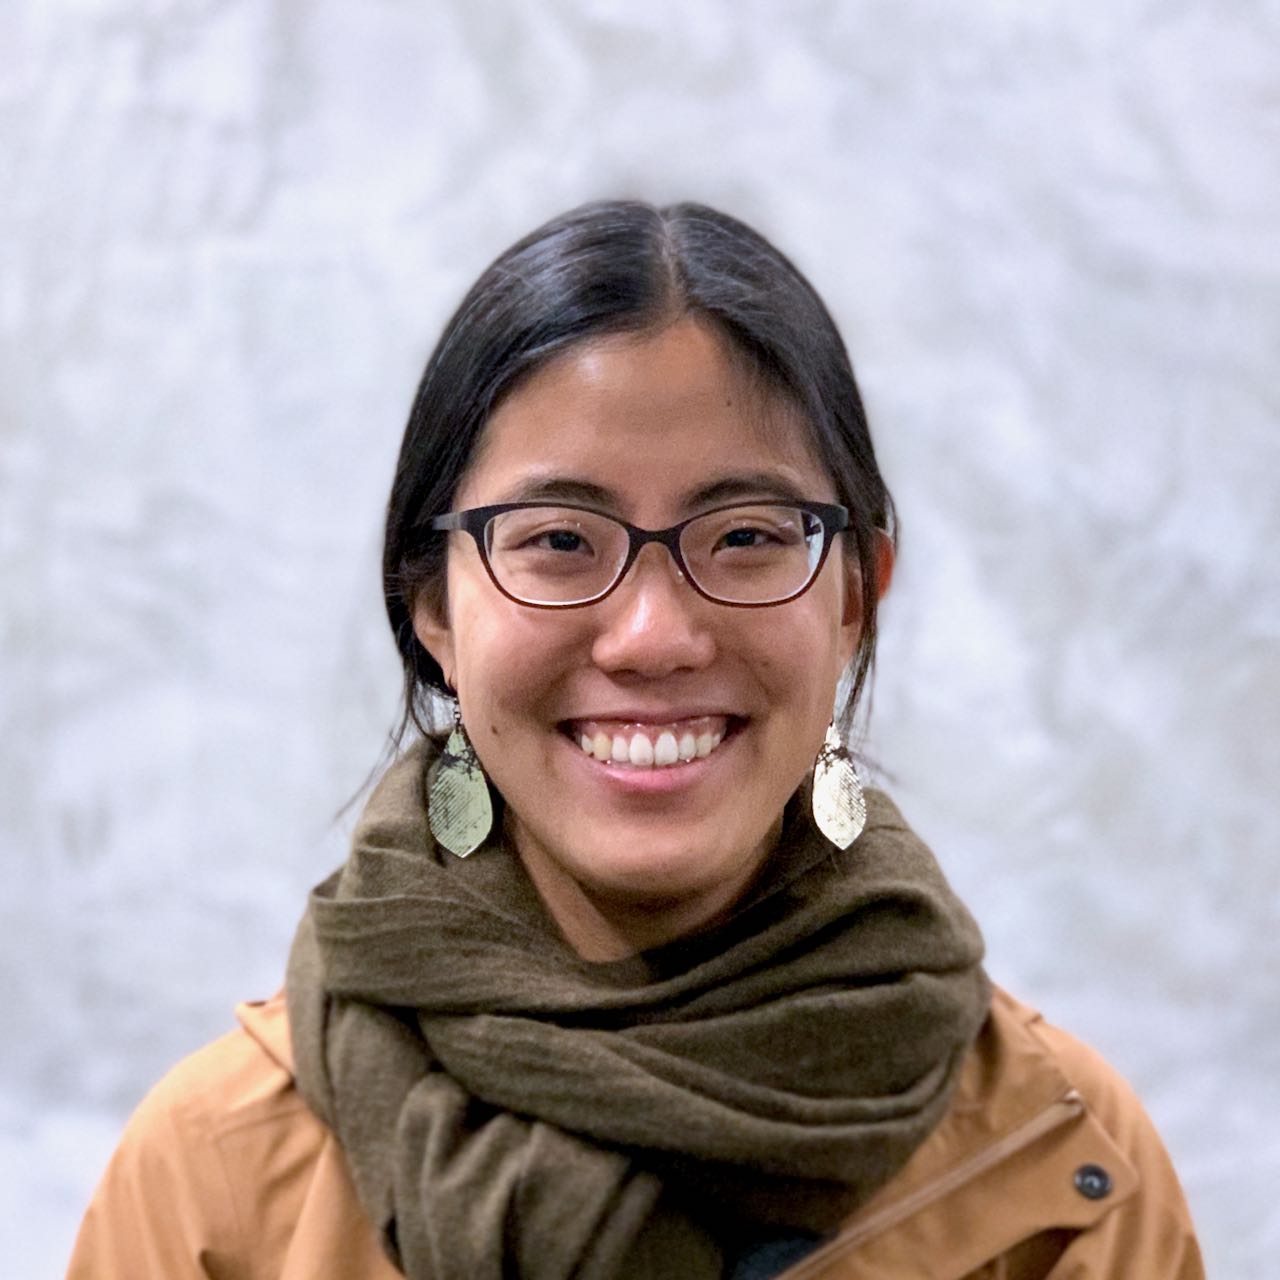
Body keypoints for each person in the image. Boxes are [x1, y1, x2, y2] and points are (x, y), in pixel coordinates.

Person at [67, 201, 1204, 1280]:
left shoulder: (1061, 1172)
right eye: (559, 537)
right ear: (431, 608)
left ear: (856, 593)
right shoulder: (214, 1178)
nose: (653, 635)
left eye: (747, 534)